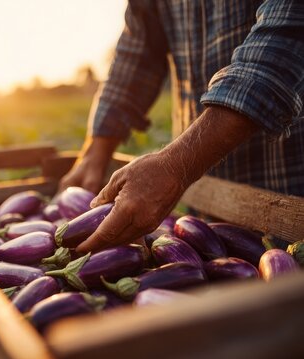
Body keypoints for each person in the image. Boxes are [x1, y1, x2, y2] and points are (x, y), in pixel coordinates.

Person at [60, 0, 304, 253]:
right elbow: (138, 50)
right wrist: (97, 146)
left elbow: (288, 35)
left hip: (289, 192)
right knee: (211, 263)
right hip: (205, 208)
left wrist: (176, 164)